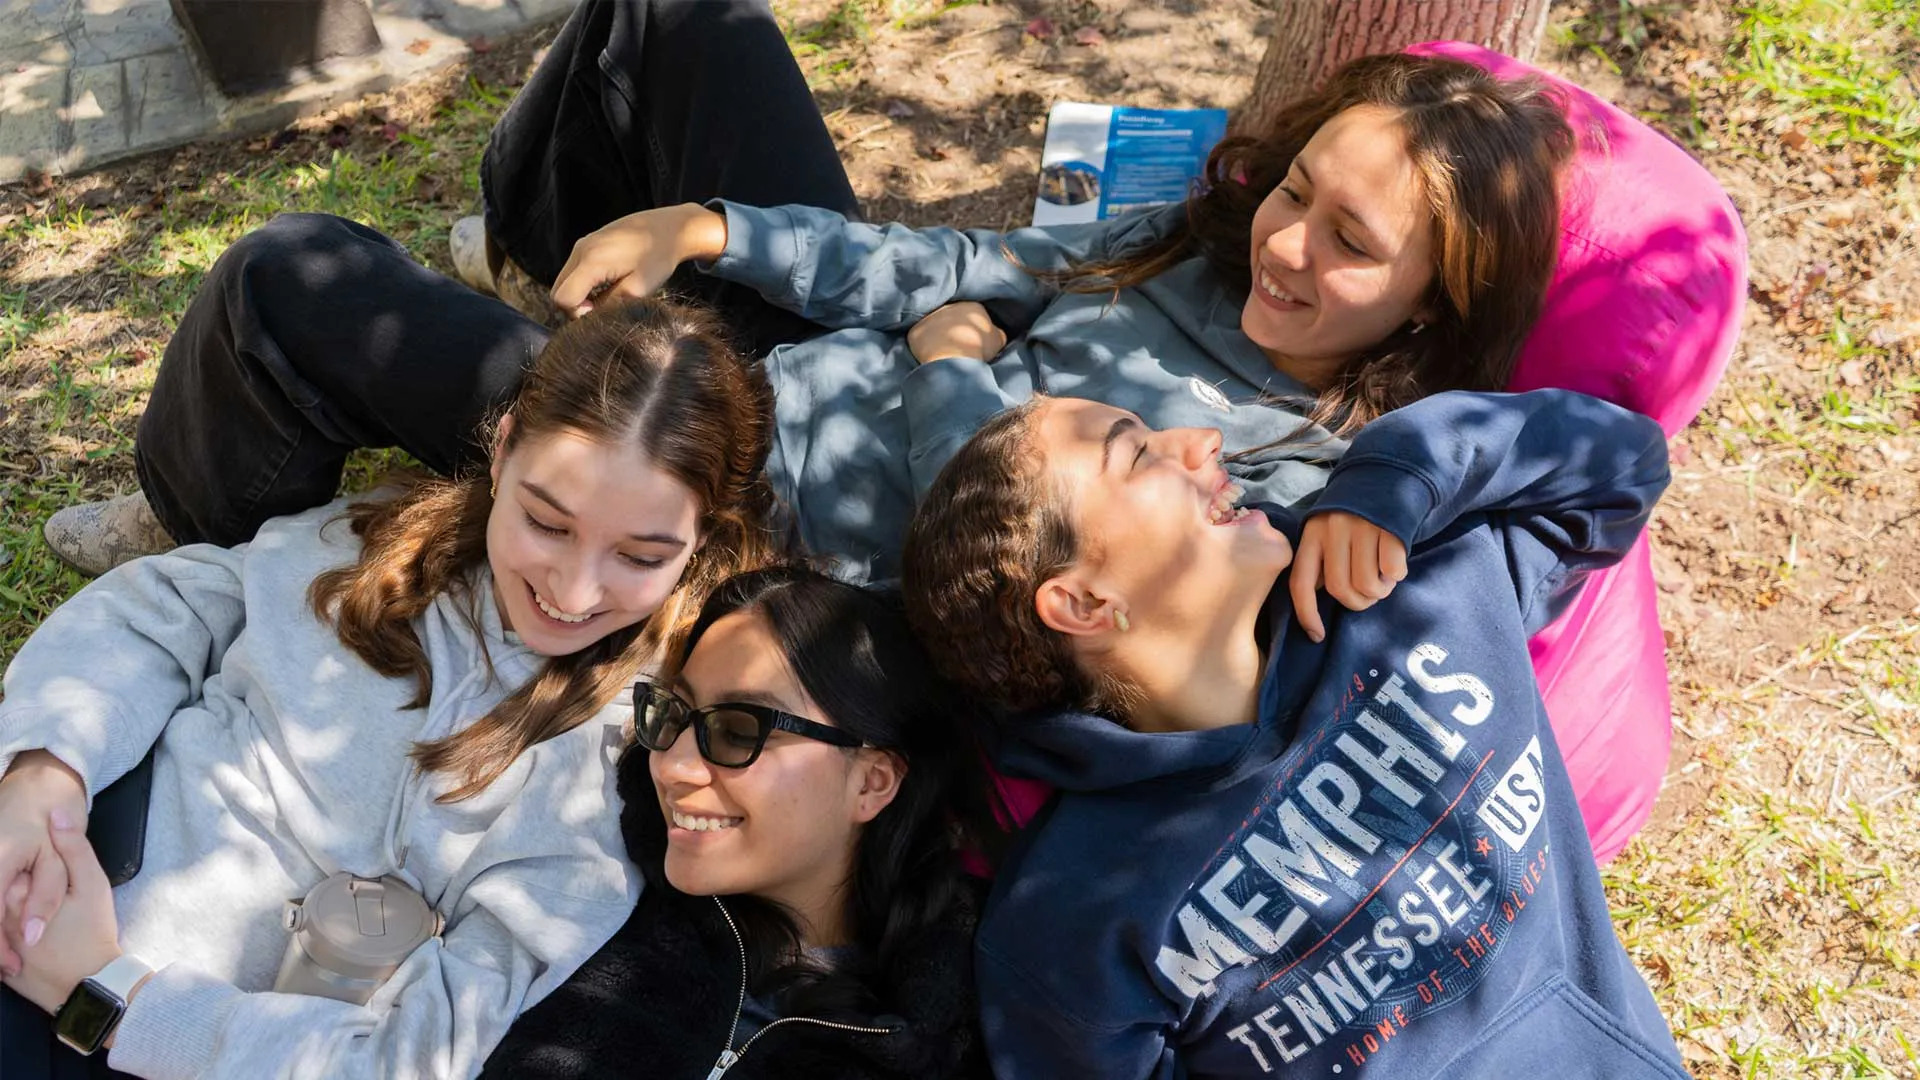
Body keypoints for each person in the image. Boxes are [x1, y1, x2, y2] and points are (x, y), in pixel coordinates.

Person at [44, 0, 1574, 586]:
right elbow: (961, 271)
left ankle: (194, 515)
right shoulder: (1211, 239)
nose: (1292, 246)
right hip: (825, 360)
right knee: (681, 20)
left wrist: (956, 367)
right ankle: (549, 257)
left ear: (1436, 306)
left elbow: (991, 573)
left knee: (289, 277)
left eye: (1352, 245)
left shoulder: (1297, 471)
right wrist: (710, 229)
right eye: (1298, 190)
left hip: (745, 497)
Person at [0, 298, 777, 1079]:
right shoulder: (381, 543)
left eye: (640, 557)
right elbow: (159, 608)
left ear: (698, 541)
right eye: (547, 523)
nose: (573, 593)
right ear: (503, 452)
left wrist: (110, 995)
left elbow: (414, 1055)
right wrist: (41, 778)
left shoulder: (622, 770)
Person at [897, 388, 1689, 1078]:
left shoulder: (1417, 588)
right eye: (1137, 456)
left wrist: (1403, 465)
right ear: (1085, 604)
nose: (1199, 440)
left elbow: (1623, 463)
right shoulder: (1068, 921)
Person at [480, 566, 987, 1080]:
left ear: (872, 782)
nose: (674, 767)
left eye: (740, 731)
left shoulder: (961, 1024)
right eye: (675, 713)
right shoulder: (591, 895)